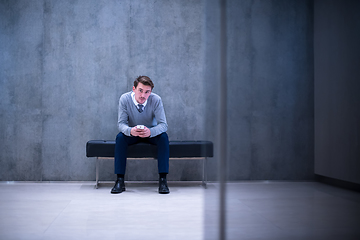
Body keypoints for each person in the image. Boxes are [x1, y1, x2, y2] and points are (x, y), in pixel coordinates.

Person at [111, 76, 170, 194]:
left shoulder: (156, 100)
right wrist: (130, 131)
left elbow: (163, 125)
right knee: (120, 138)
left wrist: (150, 132)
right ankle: (120, 180)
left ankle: (163, 180)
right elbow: (121, 124)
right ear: (134, 89)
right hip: (132, 132)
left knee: (163, 137)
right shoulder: (125, 99)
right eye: (140, 90)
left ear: (151, 92)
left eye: (147, 92)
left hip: (150, 133)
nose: (143, 95)